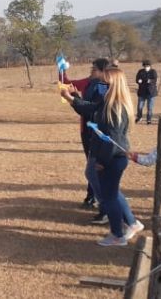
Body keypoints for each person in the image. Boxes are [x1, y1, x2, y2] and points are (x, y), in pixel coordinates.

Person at [62, 67, 143, 246]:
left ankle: (117, 235)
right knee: (111, 193)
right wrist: (72, 99)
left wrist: (101, 162)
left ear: (114, 85)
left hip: (112, 158)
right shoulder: (107, 102)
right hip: (109, 157)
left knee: (109, 197)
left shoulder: (116, 107)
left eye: (105, 82)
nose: (101, 85)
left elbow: (112, 139)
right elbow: (91, 109)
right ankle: (131, 223)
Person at [62, 58, 110, 213]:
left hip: (95, 131)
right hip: (85, 129)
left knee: (95, 167)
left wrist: (73, 99)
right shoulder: (89, 82)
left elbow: (92, 109)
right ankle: (92, 197)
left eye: (94, 68)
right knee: (91, 165)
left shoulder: (104, 87)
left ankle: (97, 200)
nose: (91, 70)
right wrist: (61, 69)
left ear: (103, 71)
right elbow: (66, 82)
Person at [135, 60, 158, 124]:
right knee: (140, 106)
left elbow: (155, 79)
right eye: (145, 66)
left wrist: (150, 81)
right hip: (142, 92)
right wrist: (138, 81)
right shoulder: (140, 71)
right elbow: (137, 79)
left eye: (147, 66)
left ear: (150, 66)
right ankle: (139, 117)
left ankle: (149, 119)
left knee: (149, 107)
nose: (146, 67)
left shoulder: (153, 72)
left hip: (151, 92)